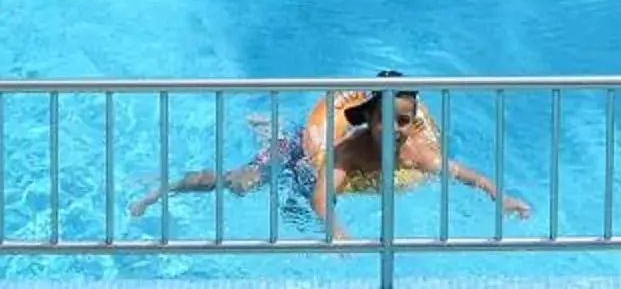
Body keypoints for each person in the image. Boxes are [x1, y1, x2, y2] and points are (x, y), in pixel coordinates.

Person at [127, 73, 530, 235]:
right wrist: (337, 231)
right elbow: (322, 197)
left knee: (289, 209)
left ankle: (272, 124)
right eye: (385, 119)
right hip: (299, 157)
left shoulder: (418, 152)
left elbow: (468, 175)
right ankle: (170, 184)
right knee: (240, 183)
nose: (394, 129)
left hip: (320, 162)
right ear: (368, 119)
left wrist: (502, 197)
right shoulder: (351, 151)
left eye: (403, 121)